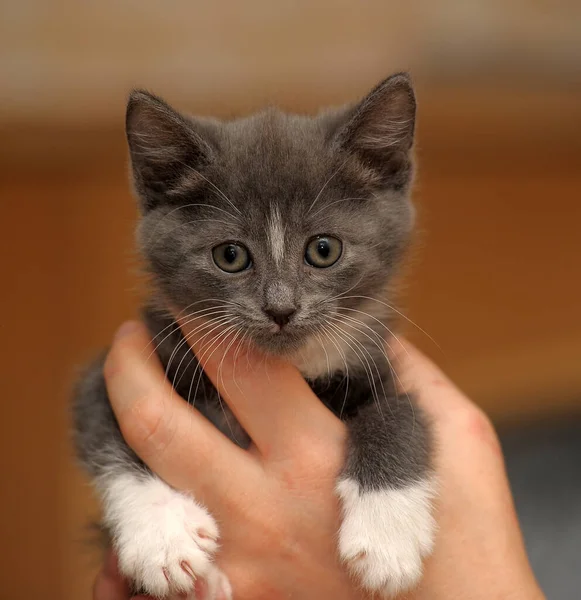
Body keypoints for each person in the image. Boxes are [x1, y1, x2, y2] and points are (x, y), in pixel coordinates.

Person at [93, 321, 545, 600]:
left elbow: (390, 409)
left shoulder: (362, 354)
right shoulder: (176, 345)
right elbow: (104, 407)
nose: (281, 302)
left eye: (321, 253)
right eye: (232, 257)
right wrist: (143, 498)